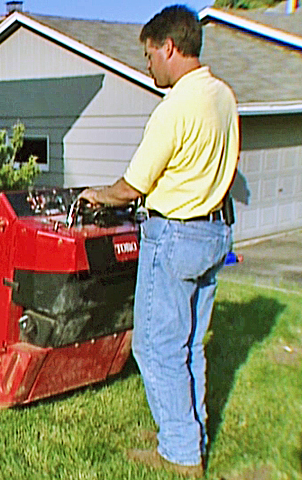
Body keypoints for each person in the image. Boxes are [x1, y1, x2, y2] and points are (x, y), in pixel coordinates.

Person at [79, 5, 238, 478]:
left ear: (168, 47)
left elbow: (131, 187)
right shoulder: (223, 97)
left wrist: (95, 195)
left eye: (149, 54)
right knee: (189, 345)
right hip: (215, 231)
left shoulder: (175, 109)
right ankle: (189, 430)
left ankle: (181, 453)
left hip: (175, 234)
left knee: (155, 346)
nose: (148, 65)